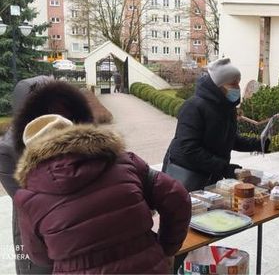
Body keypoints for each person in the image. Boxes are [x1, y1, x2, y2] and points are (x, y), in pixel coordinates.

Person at [14, 114, 191, 273]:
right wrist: (167, 248)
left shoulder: (28, 198)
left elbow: (39, 256)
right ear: (76, 132)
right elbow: (177, 196)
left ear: (31, 152)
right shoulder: (125, 163)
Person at [0, 77, 95, 274]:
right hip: (37, 237)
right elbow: (32, 199)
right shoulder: (8, 150)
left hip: (74, 234)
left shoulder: (62, 130)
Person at [163, 58, 269, 188]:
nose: (237, 88)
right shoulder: (193, 106)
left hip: (211, 175)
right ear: (218, 85)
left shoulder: (227, 108)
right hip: (185, 174)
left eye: (238, 83)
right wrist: (224, 168)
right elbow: (189, 148)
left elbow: (228, 138)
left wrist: (258, 144)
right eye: (232, 84)